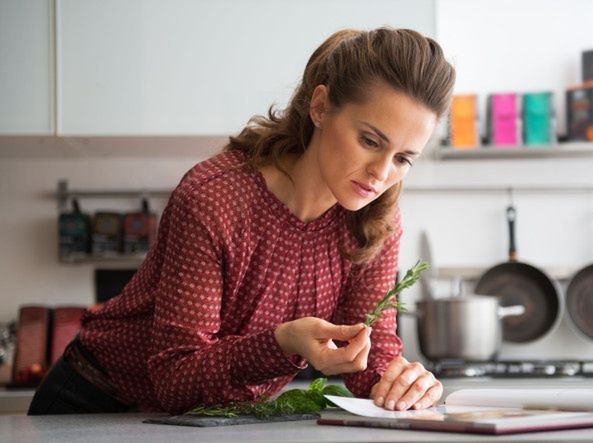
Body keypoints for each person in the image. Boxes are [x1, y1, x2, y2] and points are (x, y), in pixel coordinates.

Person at [28, 27, 455, 415]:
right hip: (93, 403)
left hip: (213, 419)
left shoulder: (375, 221)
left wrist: (402, 386)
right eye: (369, 141)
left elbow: (369, 355)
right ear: (321, 107)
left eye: (402, 158)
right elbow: (175, 379)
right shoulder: (216, 199)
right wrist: (281, 343)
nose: (382, 173)